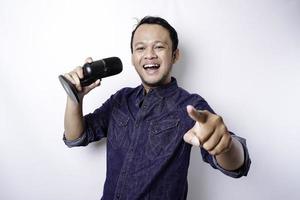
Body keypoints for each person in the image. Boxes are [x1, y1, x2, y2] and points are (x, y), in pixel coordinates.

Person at [62, 16, 251, 200]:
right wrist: (75, 98)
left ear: (175, 55)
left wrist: (225, 144)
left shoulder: (191, 106)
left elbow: (238, 166)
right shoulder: (120, 99)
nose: (149, 54)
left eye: (159, 47)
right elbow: (75, 137)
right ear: (133, 57)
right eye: (140, 48)